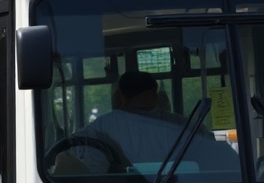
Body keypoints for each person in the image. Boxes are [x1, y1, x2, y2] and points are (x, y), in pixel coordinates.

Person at [61, 70, 239, 176]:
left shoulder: (101, 127)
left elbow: (82, 170)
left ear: (121, 96)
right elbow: (227, 163)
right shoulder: (184, 125)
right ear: (155, 94)